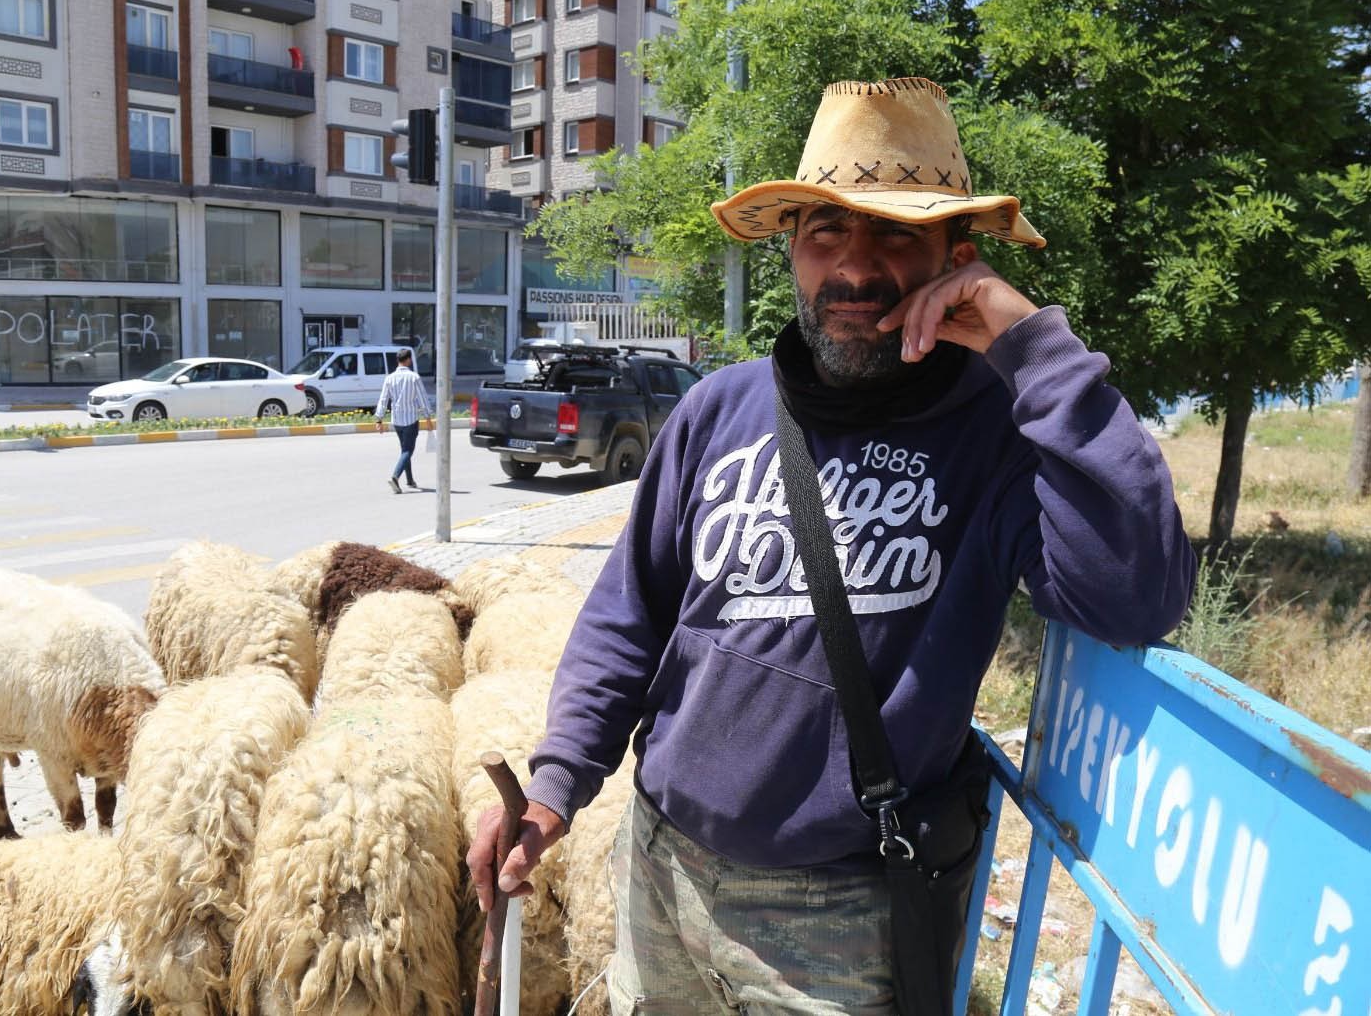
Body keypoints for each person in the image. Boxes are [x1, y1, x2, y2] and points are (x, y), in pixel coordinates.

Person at [466, 77, 1196, 1013]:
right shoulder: (717, 410)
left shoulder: (1001, 437)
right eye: (824, 233)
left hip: (845, 914)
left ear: (956, 258)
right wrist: (555, 786)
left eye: (894, 234)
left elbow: (1134, 596)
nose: (853, 267)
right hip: (659, 865)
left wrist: (1033, 350)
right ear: (792, 253)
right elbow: (627, 620)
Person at [374, 348, 432, 494]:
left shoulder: (389, 378)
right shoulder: (414, 377)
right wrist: (428, 418)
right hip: (411, 419)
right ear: (408, 360)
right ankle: (395, 477)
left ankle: (410, 480)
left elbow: (383, 399)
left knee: (404, 450)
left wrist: (379, 419)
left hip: (397, 420)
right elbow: (422, 399)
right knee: (408, 450)